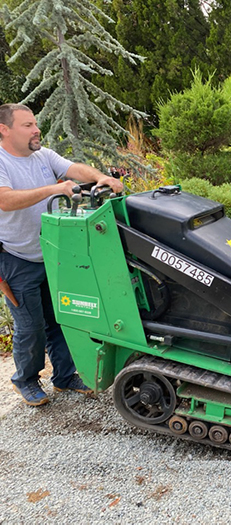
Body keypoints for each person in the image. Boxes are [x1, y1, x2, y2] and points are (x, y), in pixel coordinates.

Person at [0, 103, 124, 406]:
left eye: (35, 124)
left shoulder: (42, 155)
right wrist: (53, 190)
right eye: (27, 125)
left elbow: (73, 169)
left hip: (53, 254)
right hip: (18, 258)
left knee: (62, 317)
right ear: (4, 130)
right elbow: (4, 200)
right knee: (30, 326)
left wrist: (99, 178)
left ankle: (65, 376)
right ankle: (26, 380)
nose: (36, 129)